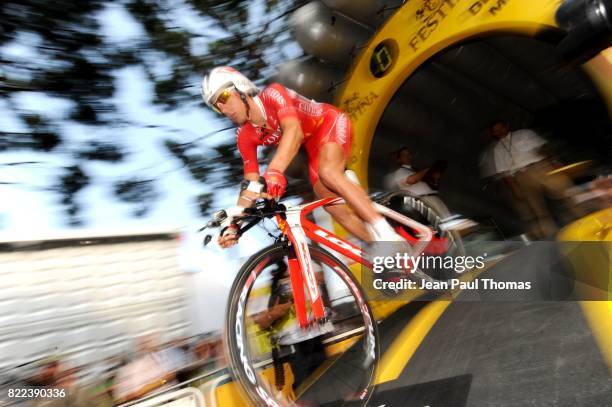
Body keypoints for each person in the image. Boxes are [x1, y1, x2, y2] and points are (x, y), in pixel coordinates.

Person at [200, 67, 403, 248]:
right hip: (313, 144)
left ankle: (388, 234)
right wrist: (235, 225)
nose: (224, 109)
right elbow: (251, 186)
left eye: (224, 97)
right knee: (331, 204)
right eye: (217, 106)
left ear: (241, 87)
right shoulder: (245, 136)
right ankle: (381, 248)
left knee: (328, 172)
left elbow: (294, 131)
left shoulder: (272, 94)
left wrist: (274, 171)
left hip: (329, 121)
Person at [480, 120, 574, 239]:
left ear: (507, 126)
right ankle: (551, 236)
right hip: (520, 176)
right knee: (537, 210)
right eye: (495, 131)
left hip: (540, 167)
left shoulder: (524, 134)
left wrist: (554, 161)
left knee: (566, 191)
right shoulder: (497, 149)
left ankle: (581, 217)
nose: (498, 132)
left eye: (500, 128)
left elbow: (544, 148)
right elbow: (505, 172)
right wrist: (515, 189)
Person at [384, 147, 451, 218]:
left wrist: (435, 176)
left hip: (434, 199)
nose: (408, 156)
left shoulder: (415, 170)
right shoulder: (399, 171)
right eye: (404, 154)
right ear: (399, 159)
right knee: (442, 224)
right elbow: (411, 180)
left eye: (409, 154)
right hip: (426, 200)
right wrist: (429, 169)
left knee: (448, 224)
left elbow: (434, 185)